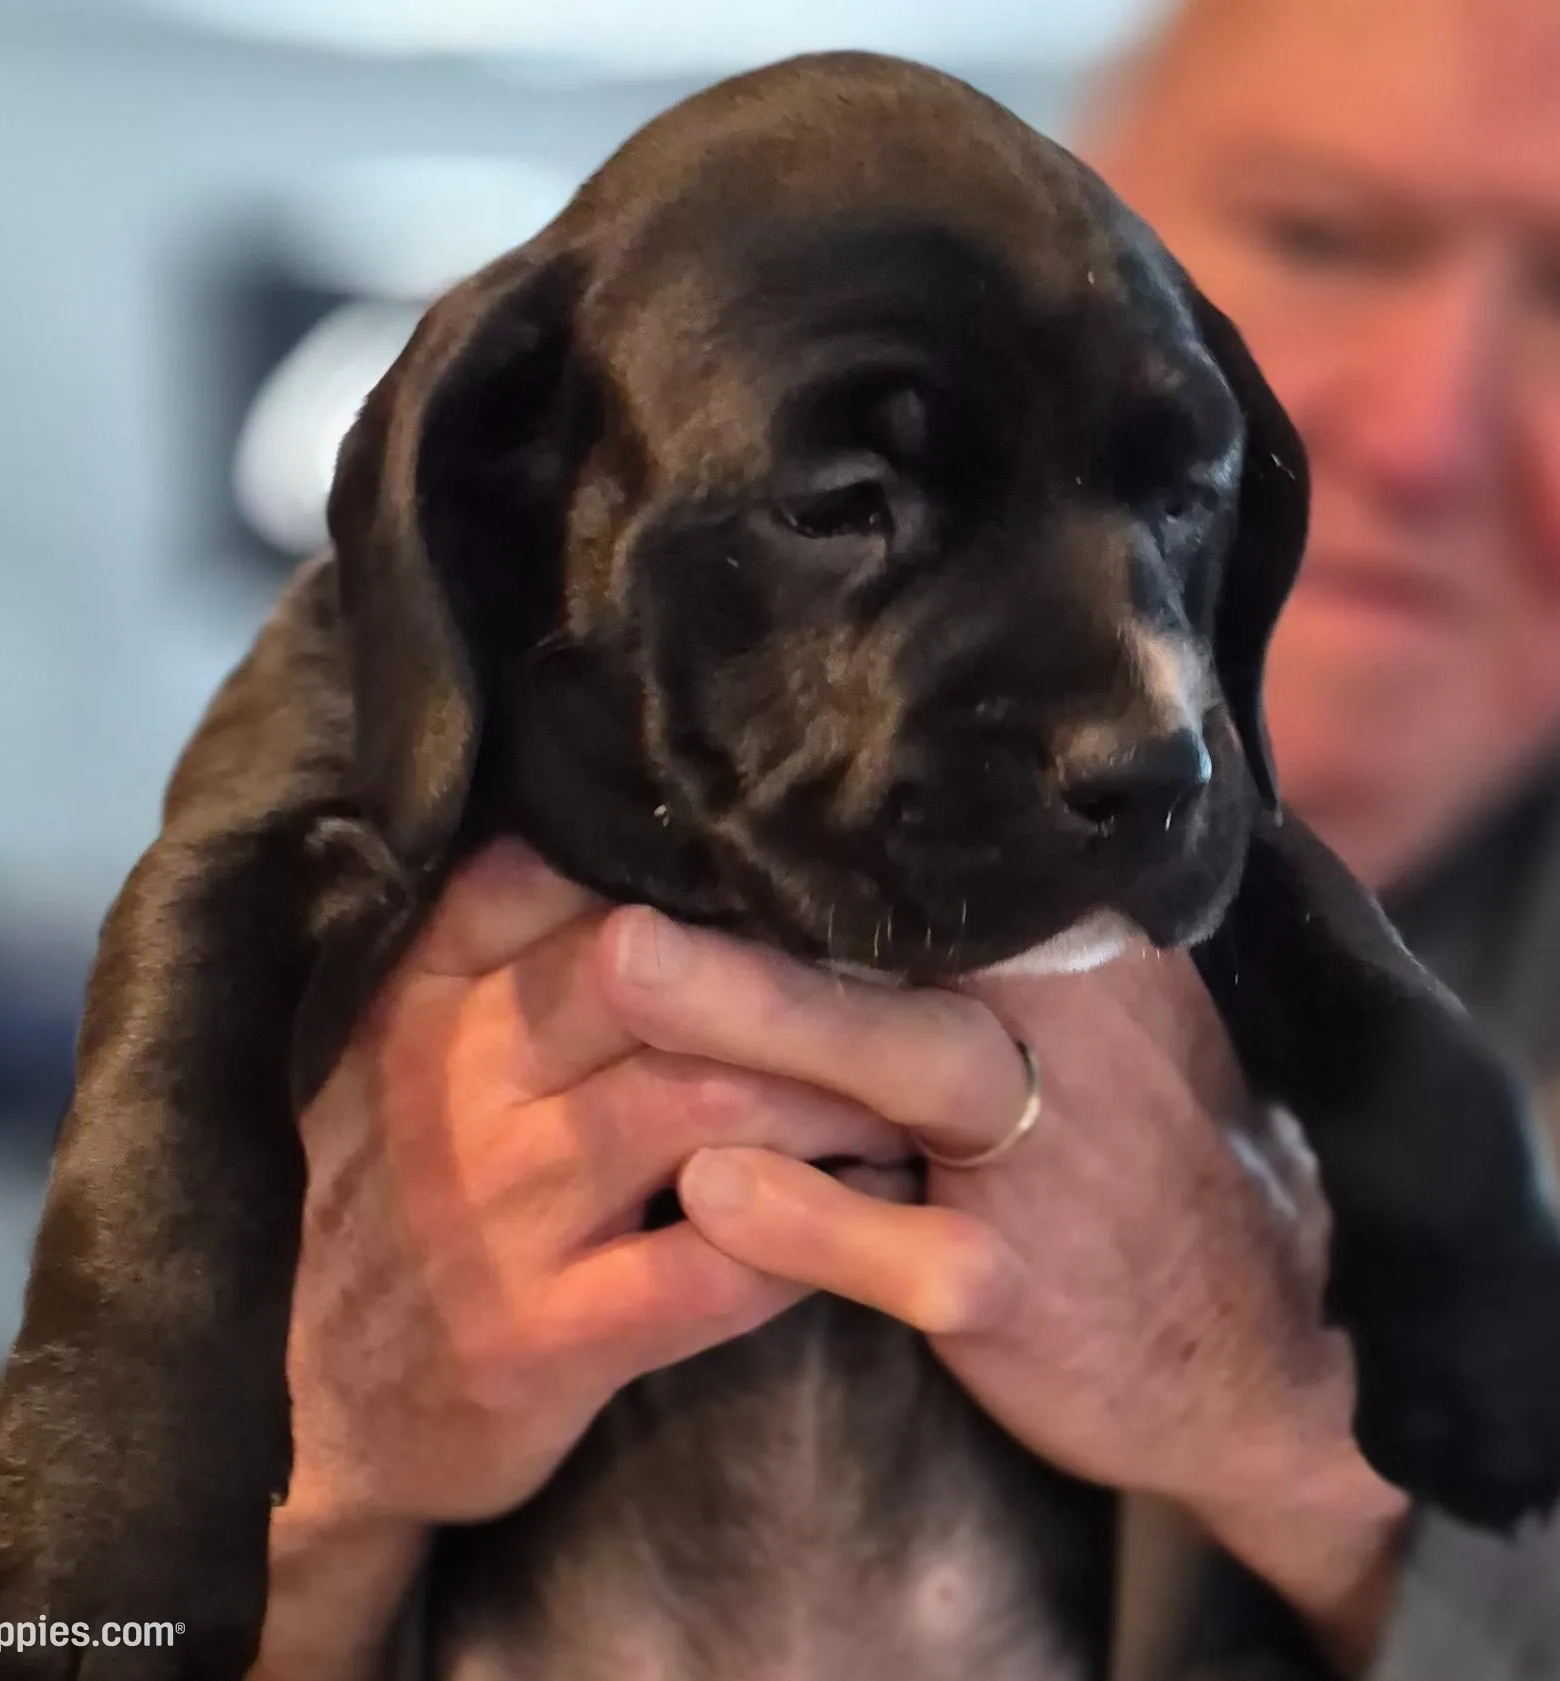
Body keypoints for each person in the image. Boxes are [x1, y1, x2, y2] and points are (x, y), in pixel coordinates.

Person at [249, 0, 1560, 1675]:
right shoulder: (371, 866)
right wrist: (296, 1484)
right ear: (1078, 212)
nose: (1430, 426)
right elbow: (27, 1615)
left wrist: (1317, 1449)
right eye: (1322, 235)